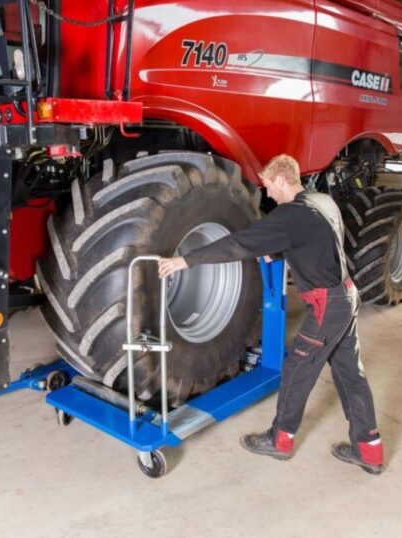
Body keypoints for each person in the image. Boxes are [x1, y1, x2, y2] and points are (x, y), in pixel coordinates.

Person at [158, 155, 384, 474]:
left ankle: (280, 440)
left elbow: (237, 245)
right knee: (350, 373)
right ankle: (370, 451)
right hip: (346, 296)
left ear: (281, 181)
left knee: (295, 369)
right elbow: (316, 240)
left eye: (267, 186)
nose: (267, 193)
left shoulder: (289, 216)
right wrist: (277, 248)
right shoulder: (322, 202)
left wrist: (186, 261)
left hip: (325, 306)